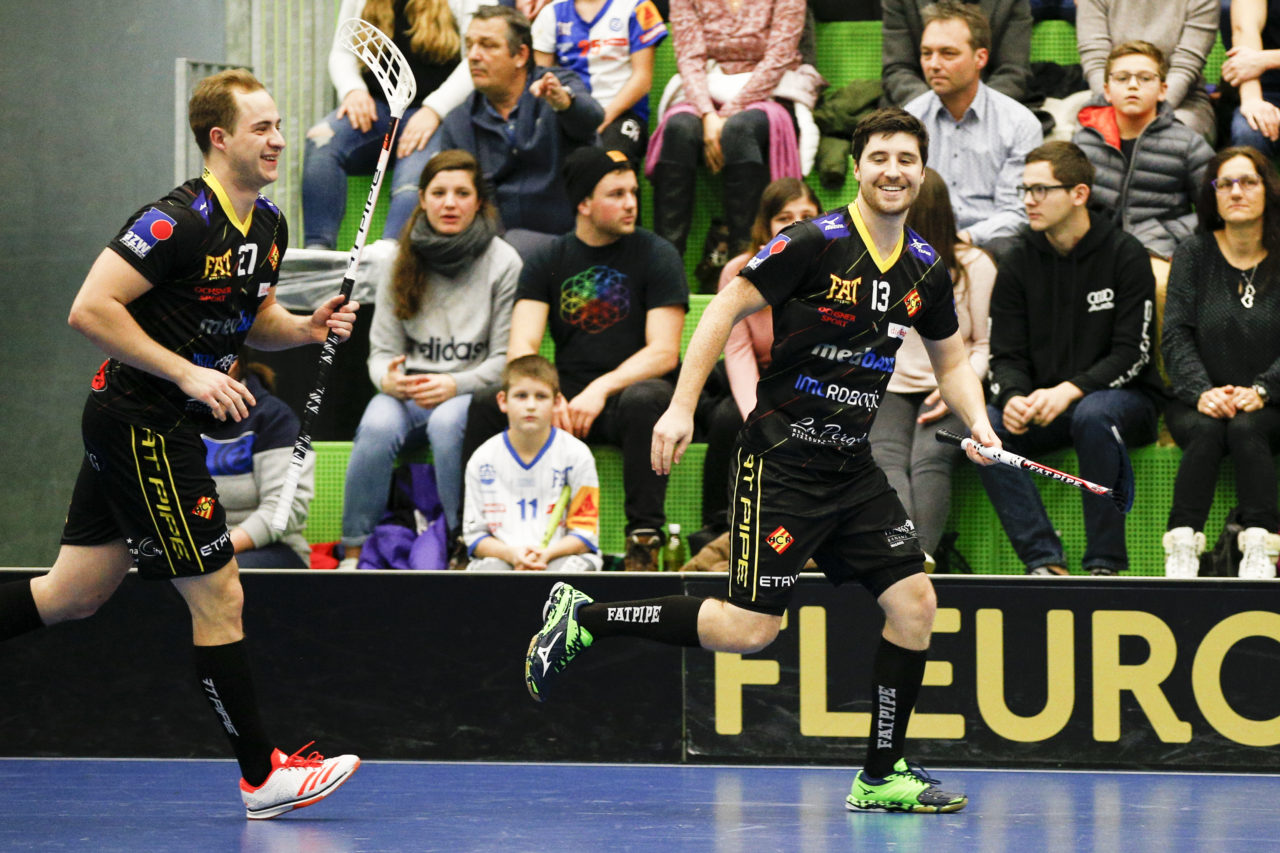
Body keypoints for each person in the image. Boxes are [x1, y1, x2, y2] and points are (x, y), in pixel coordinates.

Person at [524, 108, 999, 813]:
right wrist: (681, 406)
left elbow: (951, 361)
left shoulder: (925, 267)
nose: (893, 170)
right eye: (879, 157)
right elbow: (723, 309)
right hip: (781, 462)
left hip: (851, 467)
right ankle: (589, 616)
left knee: (915, 603)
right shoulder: (813, 241)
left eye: (906, 158)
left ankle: (880, 774)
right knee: (750, 629)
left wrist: (980, 424)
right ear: (858, 168)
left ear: (922, 171)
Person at [0, 70, 360, 819]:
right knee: (220, 593)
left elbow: (253, 319)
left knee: (70, 595)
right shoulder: (174, 221)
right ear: (219, 138)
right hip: (141, 421)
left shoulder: (268, 225)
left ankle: (261, 775)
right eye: (262, 128)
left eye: (279, 126)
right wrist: (188, 373)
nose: (279, 140)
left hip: (155, 423)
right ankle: (262, 776)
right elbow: (89, 308)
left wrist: (304, 327)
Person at [460, 146, 687, 571]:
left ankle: (644, 539)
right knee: (488, 402)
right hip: (565, 399)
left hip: (625, 395)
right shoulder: (548, 259)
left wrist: (600, 389)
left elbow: (664, 351)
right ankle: (472, 539)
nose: (631, 203)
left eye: (633, 192)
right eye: (616, 194)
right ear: (584, 203)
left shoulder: (657, 254)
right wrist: (552, 397)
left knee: (648, 400)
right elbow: (522, 348)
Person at [980, 140, 1163, 576]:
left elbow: (1132, 354)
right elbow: (1004, 354)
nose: (1029, 200)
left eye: (1041, 190)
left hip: (1125, 401)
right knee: (987, 431)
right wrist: (1014, 397)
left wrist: (1070, 390)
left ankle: (1104, 565)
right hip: (1046, 404)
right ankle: (1044, 561)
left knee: (1093, 415)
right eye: (1025, 189)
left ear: (1079, 194)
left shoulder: (1125, 254)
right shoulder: (1017, 260)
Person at [340, 148, 520, 570]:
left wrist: (454, 384)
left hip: (467, 390)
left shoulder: (504, 261)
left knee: (446, 425)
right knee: (376, 425)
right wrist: (387, 380)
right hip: (409, 391)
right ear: (421, 199)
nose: (449, 203)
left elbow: (504, 362)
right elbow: (381, 353)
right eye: (439, 193)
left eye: (462, 193)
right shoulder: (398, 259)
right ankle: (353, 551)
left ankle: (462, 542)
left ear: (479, 201)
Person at [1160, 147, 1280, 579]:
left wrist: (1264, 388)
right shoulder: (1193, 253)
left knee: (1247, 428)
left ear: (1268, 190)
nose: (1236, 192)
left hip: (1273, 401)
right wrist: (1202, 391)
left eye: (1248, 182)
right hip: (1199, 399)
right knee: (1209, 429)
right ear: (1212, 196)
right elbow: (1175, 333)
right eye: (1224, 183)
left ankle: (1262, 545)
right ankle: (1181, 546)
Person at [869, 167, 994, 566]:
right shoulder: (878, 263)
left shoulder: (975, 265)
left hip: (952, 384)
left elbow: (983, 345)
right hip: (889, 385)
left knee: (929, 458)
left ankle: (919, 556)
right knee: (885, 457)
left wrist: (957, 386)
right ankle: (905, 555)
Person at [691, 177, 821, 551]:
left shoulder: (835, 269)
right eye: (785, 217)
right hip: (753, 373)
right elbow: (737, 350)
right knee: (731, 417)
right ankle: (718, 527)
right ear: (766, 227)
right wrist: (757, 415)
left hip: (809, 377)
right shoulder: (739, 270)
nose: (797, 224)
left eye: (807, 215)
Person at [302, 0, 487, 249]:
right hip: (377, 108)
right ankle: (317, 253)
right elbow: (342, 51)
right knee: (321, 142)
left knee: (412, 181)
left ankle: (389, 254)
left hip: (435, 113)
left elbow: (473, 61)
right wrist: (353, 90)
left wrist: (435, 109)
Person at [646, 0, 824, 257]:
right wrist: (708, 114)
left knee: (739, 130)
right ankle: (666, 261)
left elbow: (779, 57)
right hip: (707, 90)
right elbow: (689, 58)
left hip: (771, 91)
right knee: (678, 129)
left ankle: (746, 259)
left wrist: (728, 113)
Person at [436, 4, 604, 259]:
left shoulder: (556, 87)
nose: (474, 56)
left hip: (573, 244)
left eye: (488, 45)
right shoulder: (458, 122)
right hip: (501, 252)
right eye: (469, 45)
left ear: (521, 55)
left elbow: (591, 120)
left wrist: (564, 104)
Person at [903, 1, 1043, 256]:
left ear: (980, 58)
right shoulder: (909, 120)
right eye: (926, 53)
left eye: (948, 53)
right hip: (922, 246)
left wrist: (964, 240)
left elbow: (1017, 211)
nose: (934, 64)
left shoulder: (1019, 123)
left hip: (992, 247)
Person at [1072, 41, 1214, 261]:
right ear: (1107, 91)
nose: (1133, 85)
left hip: (1159, 253)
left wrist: (1166, 234)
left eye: (1145, 78)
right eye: (1122, 78)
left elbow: (1217, 209)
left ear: (1162, 90)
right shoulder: (1084, 143)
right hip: (1095, 254)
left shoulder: (1188, 144)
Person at [463, 355, 604, 570]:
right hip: (503, 557)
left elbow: (585, 534)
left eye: (541, 396)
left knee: (563, 579)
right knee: (490, 575)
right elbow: (475, 538)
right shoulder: (482, 459)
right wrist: (512, 555)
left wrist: (546, 554)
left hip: (560, 555)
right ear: (502, 401)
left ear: (557, 402)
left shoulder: (577, 455)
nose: (531, 405)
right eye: (521, 396)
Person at [201, 358, 314, 569]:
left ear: (232, 364)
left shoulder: (275, 418)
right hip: (199, 547)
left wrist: (214, 550)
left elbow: (284, 510)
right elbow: (194, 501)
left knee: (209, 575)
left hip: (270, 548)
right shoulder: (174, 418)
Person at [531, 0, 669, 164]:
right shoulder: (551, 12)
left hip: (622, 114)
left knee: (609, 165)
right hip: (570, 113)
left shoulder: (638, 7)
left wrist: (601, 119)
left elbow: (643, 78)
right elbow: (541, 78)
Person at [1076, 0, 1219, 143]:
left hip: (1181, 102)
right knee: (1090, 137)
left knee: (1173, 137)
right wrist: (1118, 110)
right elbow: (1095, 62)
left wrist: (1150, 115)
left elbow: (1186, 66)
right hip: (1111, 101)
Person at [881, 0, 1034, 108]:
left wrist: (978, 109)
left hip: (994, 105)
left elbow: (1014, 71)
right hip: (915, 105)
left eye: (948, 53)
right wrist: (931, 109)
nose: (934, 64)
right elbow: (897, 69)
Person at [1221, 0, 1280, 157]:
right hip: (1268, 90)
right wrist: (1252, 99)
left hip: (1265, 64)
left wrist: (1267, 59)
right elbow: (1246, 28)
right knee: (1249, 132)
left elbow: (1257, 60)